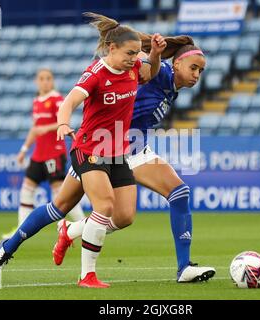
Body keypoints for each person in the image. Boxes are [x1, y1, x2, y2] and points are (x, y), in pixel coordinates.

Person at [0, 12, 166, 288]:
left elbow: (150, 72)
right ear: (111, 48)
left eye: (137, 53)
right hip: (88, 149)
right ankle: (86, 276)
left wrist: (153, 54)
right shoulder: (95, 74)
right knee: (104, 205)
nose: (134, 58)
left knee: (109, 214)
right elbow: (68, 101)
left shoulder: (133, 67)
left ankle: (52, 236)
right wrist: (62, 123)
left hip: (117, 153)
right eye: (130, 53)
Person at [50, 38, 215, 283]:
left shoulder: (173, 89)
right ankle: (12, 246)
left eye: (200, 71)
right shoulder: (160, 73)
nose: (197, 74)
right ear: (177, 64)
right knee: (58, 208)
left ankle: (184, 268)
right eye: (193, 67)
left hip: (136, 150)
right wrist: (146, 45)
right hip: (106, 148)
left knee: (173, 195)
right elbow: (137, 61)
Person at [1, 68, 85, 239]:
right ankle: (20, 229)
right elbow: (34, 129)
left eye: (48, 78)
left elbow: (63, 122)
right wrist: (24, 150)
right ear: (36, 81)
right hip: (38, 154)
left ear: (52, 81)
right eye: (41, 78)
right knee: (26, 189)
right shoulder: (37, 101)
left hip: (54, 153)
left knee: (61, 193)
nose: (45, 81)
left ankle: (83, 224)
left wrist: (46, 128)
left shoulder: (57, 99)